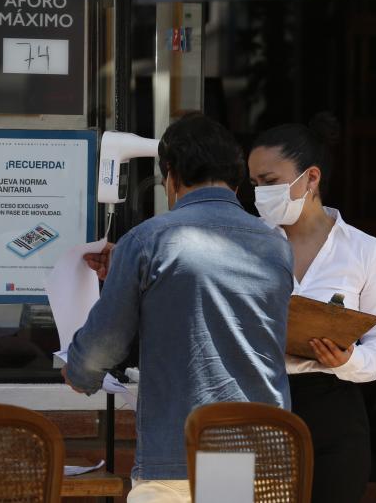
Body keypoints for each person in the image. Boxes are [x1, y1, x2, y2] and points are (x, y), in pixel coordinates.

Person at [63, 113, 294, 503]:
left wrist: (79, 372)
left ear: (170, 176)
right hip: (257, 451)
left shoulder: (148, 241)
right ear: (236, 179)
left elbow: (105, 343)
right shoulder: (276, 246)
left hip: (178, 454)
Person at [248, 113, 376, 503]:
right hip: (250, 399)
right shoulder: (244, 244)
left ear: (311, 178)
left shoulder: (364, 250)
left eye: (270, 183)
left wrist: (347, 361)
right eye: (253, 184)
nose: (260, 194)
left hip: (332, 406)